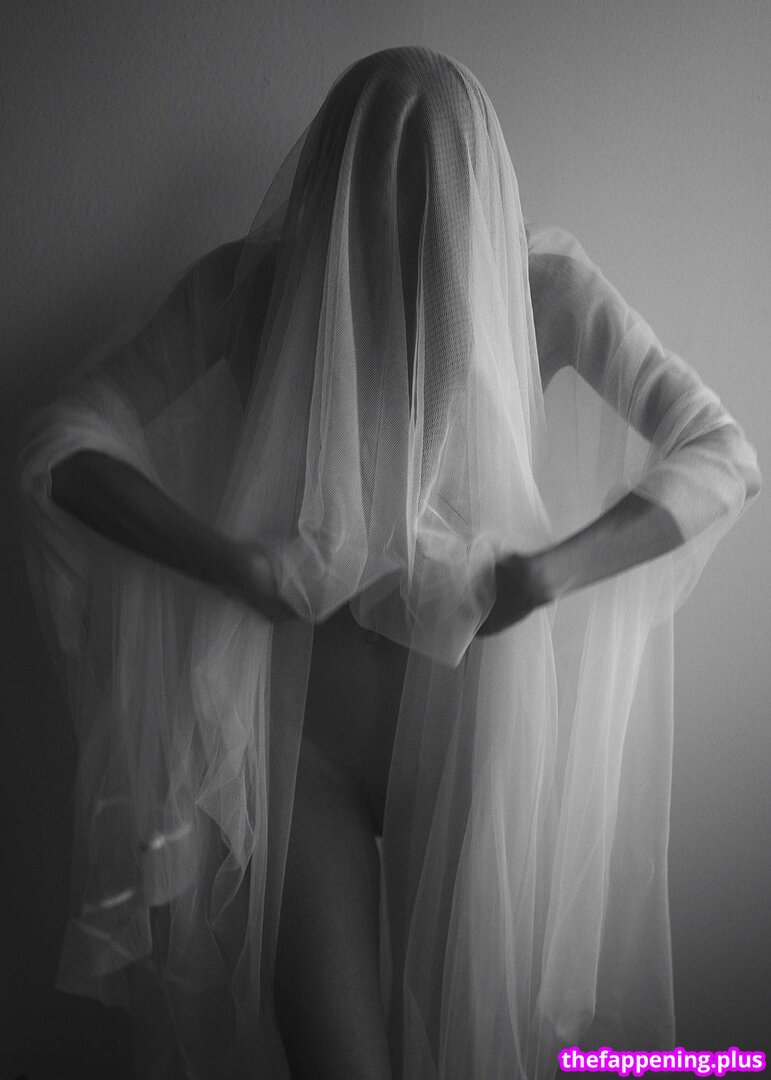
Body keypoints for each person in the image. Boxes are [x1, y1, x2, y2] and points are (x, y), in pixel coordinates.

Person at [18, 46, 760, 1080]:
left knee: (456, 1059)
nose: (405, 223)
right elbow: (62, 444)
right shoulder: (252, 289)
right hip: (300, 755)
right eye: (381, 190)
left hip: (467, 749)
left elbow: (722, 454)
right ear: (336, 179)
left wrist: (552, 572)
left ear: (474, 183)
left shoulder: (539, 291)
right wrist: (229, 563)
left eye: (431, 193)